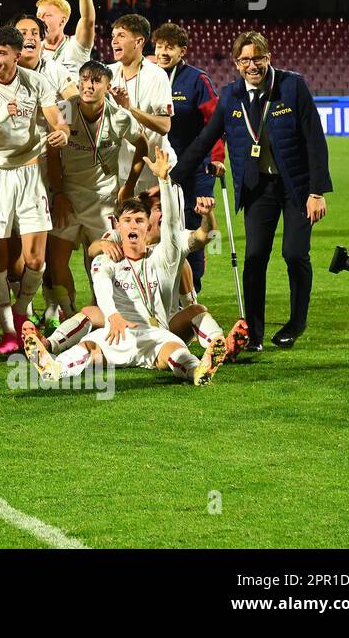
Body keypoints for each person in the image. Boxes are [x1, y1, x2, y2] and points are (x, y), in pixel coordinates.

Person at [173, 30, 331, 349]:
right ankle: (254, 334)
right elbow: (205, 140)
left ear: (268, 58)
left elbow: (315, 139)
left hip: (297, 187)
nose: (252, 65)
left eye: (257, 58)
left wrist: (317, 192)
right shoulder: (231, 96)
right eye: (244, 60)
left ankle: (296, 322)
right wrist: (172, 177)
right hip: (258, 187)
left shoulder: (292, 86)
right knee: (255, 257)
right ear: (236, 63)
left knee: (294, 253)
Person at [24, 149, 227, 387]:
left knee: (177, 353)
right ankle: (54, 367)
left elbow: (176, 227)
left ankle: (199, 371)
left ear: (147, 226)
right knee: (87, 348)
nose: (134, 225)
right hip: (117, 333)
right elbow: (100, 284)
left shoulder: (163, 253)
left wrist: (164, 181)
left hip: (156, 334)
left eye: (140, 220)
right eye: (127, 221)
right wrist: (113, 316)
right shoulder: (108, 257)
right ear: (118, 227)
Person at [0, 26, 70, 356]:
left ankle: (22, 310)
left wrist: (62, 133)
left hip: (29, 175)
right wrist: (1, 115)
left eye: (1, 53)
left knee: (35, 258)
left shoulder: (35, 82)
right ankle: (10, 333)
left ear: (16, 54)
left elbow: (58, 119)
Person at [46, 61, 147, 323]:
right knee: (56, 260)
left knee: (104, 260)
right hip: (68, 194)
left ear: (107, 86)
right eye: (85, 79)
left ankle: (98, 314)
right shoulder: (66, 109)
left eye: (96, 81)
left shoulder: (119, 116)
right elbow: (53, 155)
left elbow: (142, 145)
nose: (89, 86)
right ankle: (69, 314)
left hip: (102, 198)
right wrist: (58, 194)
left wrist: (129, 185)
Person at [151, 22, 224, 293]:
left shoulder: (197, 79)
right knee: (163, 223)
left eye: (170, 47)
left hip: (196, 167)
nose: (163, 52)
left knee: (193, 225)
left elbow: (215, 121)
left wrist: (217, 157)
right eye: (159, 46)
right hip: (161, 166)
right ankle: (163, 288)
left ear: (183, 51)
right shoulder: (148, 76)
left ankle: (194, 290)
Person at [107, 14, 174, 189]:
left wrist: (130, 108)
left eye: (121, 35)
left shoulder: (156, 75)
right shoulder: (108, 74)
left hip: (153, 170)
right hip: (120, 169)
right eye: (113, 36)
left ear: (138, 42)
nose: (114, 41)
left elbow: (164, 125)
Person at [36, 0, 97, 72]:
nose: (40, 19)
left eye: (47, 15)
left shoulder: (76, 45)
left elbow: (88, 20)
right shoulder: (34, 49)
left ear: (62, 20)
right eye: (38, 15)